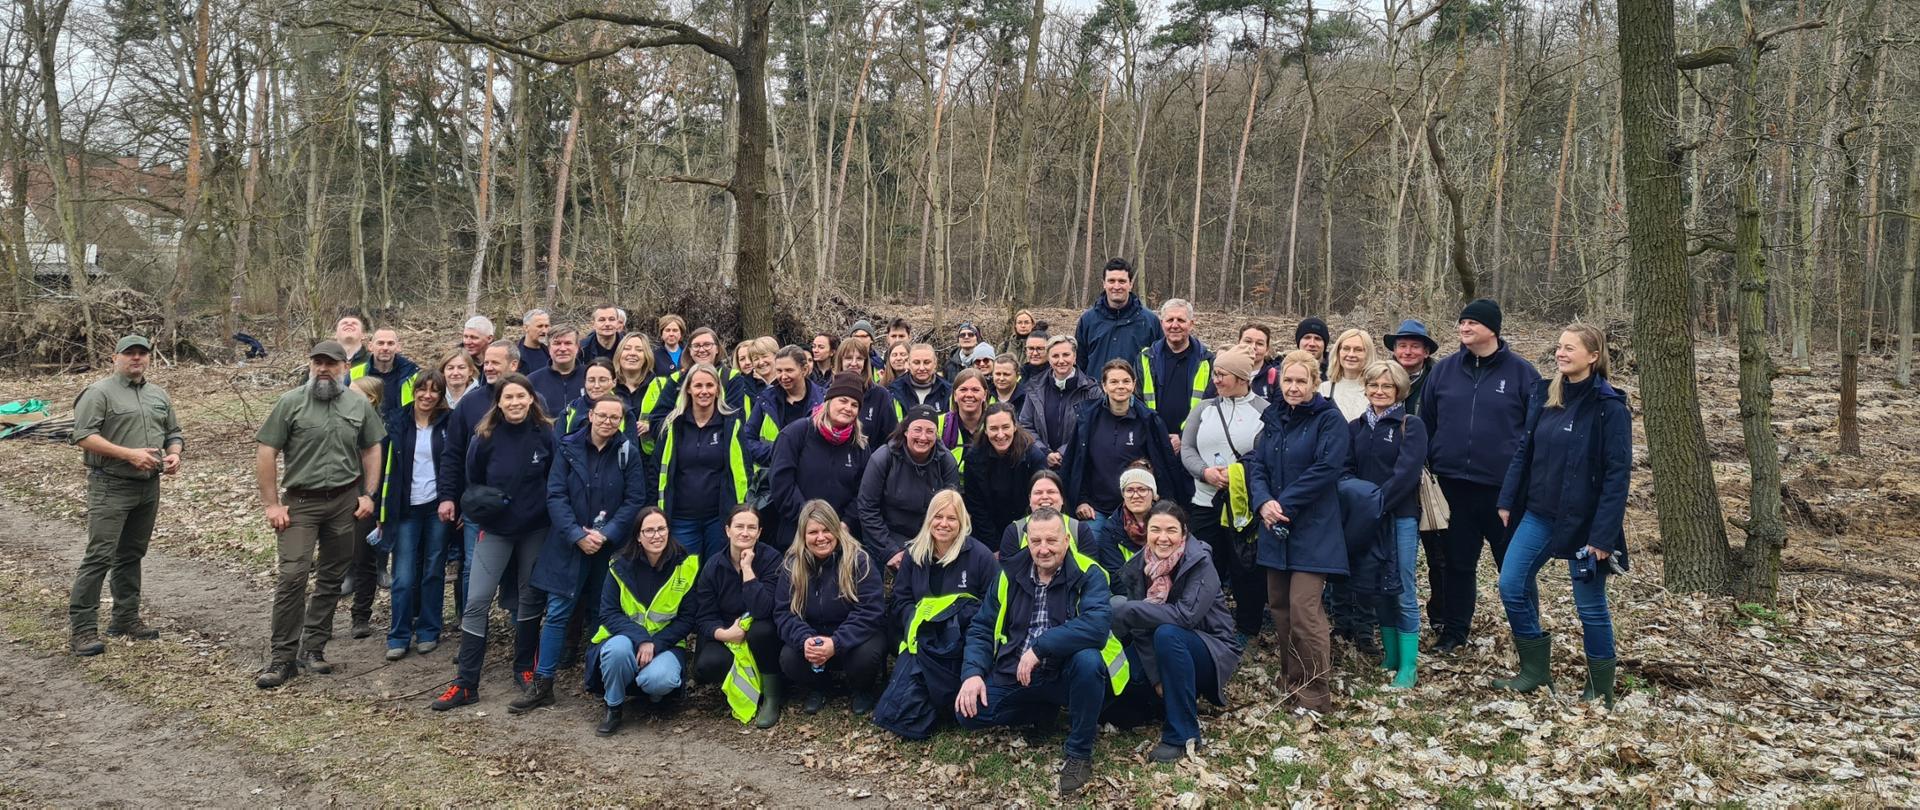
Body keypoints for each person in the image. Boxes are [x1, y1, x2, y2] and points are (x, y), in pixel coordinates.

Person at [1493, 324, 1630, 707]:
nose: (1560, 353)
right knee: (1511, 584)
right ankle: (1535, 672)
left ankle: (1600, 689)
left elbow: (1617, 476)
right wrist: (1507, 499)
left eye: (1570, 348)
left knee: (1590, 606)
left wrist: (1603, 537)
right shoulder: (1544, 394)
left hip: (1586, 524)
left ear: (1593, 355)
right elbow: (1524, 451)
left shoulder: (1609, 407)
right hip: (1537, 514)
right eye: (1558, 347)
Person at [955, 508, 1125, 797]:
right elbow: (982, 627)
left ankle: (1079, 752)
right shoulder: (1008, 572)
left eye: (1051, 540)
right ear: (1027, 541)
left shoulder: (1089, 572)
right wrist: (972, 673)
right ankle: (1041, 712)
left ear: (1067, 540)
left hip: (1065, 671)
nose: (1043, 549)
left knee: (1088, 660)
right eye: (1036, 541)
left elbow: (1096, 627)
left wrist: (1040, 647)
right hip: (1018, 671)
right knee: (968, 714)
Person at [253, 340, 386, 688]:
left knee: (331, 576)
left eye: (331, 363)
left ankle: (313, 648)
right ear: (311, 365)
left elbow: (372, 447)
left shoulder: (358, 404)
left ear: (345, 367)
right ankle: (282, 657)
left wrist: (369, 495)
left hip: (345, 502)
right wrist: (271, 504)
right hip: (300, 503)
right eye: (318, 363)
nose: (324, 369)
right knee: (293, 576)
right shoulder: (290, 403)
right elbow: (267, 451)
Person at [512, 394, 651, 713]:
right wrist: (576, 534)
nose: (608, 422)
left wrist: (607, 534)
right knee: (558, 612)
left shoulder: (627, 451)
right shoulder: (567, 447)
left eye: (614, 418)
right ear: (590, 415)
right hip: (568, 544)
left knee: (604, 614)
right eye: (602, 416)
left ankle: (602, 682)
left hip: (609, 546)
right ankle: (543, 683)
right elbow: (555, 494)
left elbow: (635, 498)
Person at [1419, 298, 1540, 654]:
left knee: (1514, 569)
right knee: (1456, 565)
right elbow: (1427, 423)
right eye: (1462, 322)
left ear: (1492, 329)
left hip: (1503, 493)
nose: (1464, 327)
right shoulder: (1443, 371)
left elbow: (1535, 434)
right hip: (1453, 487)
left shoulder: (1522, 374)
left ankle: (1528, 638)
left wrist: (1524, 486)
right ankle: (1454, 633)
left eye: (1472, 322)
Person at [430, 373, 555, 709]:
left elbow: (553, 478)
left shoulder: (546, 433)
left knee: (530, 599)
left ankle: (525, 668)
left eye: (521, 397)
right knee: (477, 600)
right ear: (498, 403)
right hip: (495, 530)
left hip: (535, 529)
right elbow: (474, 479)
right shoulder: (484, 437)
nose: (515, 403)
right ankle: (467, 682)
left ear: (532, 399)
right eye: (508, 398)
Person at [1244, 350, 1349, 713]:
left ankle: (1315, 693)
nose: (1293, 387)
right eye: (1288, 380)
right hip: (1275, 527)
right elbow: (1257, 464)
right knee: (1281, 609)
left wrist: (1283, 503)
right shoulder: (1272, 417)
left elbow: (1326, 468)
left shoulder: (1328, 420)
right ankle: (1291, 682)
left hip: (1313, 530)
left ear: (1314, 384)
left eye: (1301, 381)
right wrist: (1262, 502)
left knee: (1305, 611)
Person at [68, 334, 183, 656]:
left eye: (142, 354)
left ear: (149, 358)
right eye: (129, 354)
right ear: (115, 358)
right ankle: (83, 630)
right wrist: (127, 454)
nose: (136, 359)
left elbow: (174, 432)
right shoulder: (98, 393)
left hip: (148, 485)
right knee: (99, 557)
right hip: (110, 485)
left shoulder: (158, 394)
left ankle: (125, 618)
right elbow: (82, 436)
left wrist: (174, 453)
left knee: (131, 554)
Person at [1110, 502, 1240, 762]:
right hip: (1161, 647)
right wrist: (1157, 677)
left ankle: (1182, 735)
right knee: (1122, 702)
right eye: (1155, 529)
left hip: (1210, 648)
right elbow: (1140, 629)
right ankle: (1162, 701)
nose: (1163, 537)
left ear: (1184, 533)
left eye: (1171, 530)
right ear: (1146, 532)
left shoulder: (1200, 561)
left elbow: (1186, 616)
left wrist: (1132, 610)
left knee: (1168, 633)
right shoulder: (1140, 565)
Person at [872, 490, 998, 739]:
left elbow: (992, 605)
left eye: (951, 518)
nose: (943, 524)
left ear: (962, 522)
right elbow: (901, 600)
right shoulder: (913, 554)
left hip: (963, 638)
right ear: (929, 519)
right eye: (938, 517)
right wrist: (918, 623)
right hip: (922, 636)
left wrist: (954, 618)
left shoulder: (981, 556)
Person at [1178, 347, 1269, 640]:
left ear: (1242, 377)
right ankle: (1206, 622)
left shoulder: (1264, 411)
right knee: (1206, 565)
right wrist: (1205, 472)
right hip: (1205, 502)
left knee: (1245, 568)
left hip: (1243, 506)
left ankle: (1247, 627)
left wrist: (1237, 474)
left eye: (1222, 374)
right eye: (1215, 373)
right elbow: (1187, 448)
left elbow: (1267, 455)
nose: (1215, 379)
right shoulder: (1203, 409)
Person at [1346, 361, 1427, 689]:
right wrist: (1362, 503)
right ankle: (1390, 656)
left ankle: (1409, 665)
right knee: (1379, 585)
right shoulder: (1356, 427)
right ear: (1366, 388)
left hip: (1400, 515)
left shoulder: (1412, 425)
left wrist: (1377, 503)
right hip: (1366, 517)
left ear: (1399, 391)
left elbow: (1407, 474)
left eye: (1387, 387)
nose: (1380, 392)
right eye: (1375, 386)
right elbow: (1346, 468)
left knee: (1403, 587)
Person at [584, 508, 700, 734]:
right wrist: (641, 639)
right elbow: (608, 613)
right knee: (616, 651)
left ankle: (653, 694)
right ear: (638, 536)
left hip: (666, 644)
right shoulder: (619, 565)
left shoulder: (685, 566)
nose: (656, 536)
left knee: (660, 679)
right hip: (625, 641)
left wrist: (655, 644)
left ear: (668, 531)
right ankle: (614, 706)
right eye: (649, 531)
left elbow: (688, 618)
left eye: (661, 529)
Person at [775, 500, 886, 715]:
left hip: (852, 636)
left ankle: (861, 689)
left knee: (867, 656)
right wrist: (805, 639)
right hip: (814, 634)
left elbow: (871, 610)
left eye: (826, 530)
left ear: (836, 529)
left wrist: (836, 642)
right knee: (788, 658)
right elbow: (783, 612)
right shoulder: (791, 565)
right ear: (803, 535)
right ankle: (819, 687)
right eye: (813, 532)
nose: (820, 537)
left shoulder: (859, 559)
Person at [440, 340, 522, 619]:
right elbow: (453, 454)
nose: (487, 367)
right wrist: (449, 497)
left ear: (513, 365)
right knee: (473, 567)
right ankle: (470, 627)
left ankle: (518, 627)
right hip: (478, 505)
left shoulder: (526, 398)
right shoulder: (470, 403)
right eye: (485, 362)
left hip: (523, 505)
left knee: (520, 568)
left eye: (494, 362)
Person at [1061, 360, 1192, 528]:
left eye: (1126, 381)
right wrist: (1081, 500)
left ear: (1134, 384)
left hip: (1139, 509)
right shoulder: (1088, 419)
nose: (1120, 386)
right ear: (1104, 385)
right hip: (1096, 509)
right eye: (1114, 382)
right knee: (1090, 551)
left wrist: (1160, 503)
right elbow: (1077, 464)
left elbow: (1164, 467)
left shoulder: (1149, 421)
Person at [376, 369, 450, 661]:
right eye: (423, 389)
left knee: (433, 571)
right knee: (404, 575)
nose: (427, 395)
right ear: (414, 390)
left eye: (434, 390)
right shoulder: (397, 421)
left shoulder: (449, 422)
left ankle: (429, 631)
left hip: (437, 508)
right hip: (404, 508)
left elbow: (455, 463)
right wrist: (380, 508)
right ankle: (399, 634)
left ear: (441, 396)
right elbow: (382, 469)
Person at [692, 506, 786, 727]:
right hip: (729, 635)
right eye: (739, 527)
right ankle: (752, 688)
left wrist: (747, 569)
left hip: (763, 633)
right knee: (707, 665)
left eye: (751, 527)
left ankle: (772, 696)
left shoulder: (772, 559)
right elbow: (703, 616)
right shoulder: (713, 566)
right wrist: (724, 634)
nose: (745, 532)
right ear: (727, 530)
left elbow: (765, 608)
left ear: (759, 532)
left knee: (762, 630)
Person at [655, 364, 752, 561]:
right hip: (681, 518)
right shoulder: (673, 425)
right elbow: (656, 469)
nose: (704, 391)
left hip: (719, 518)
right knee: (683, 578)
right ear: (688, 389)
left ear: (718, 389)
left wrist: (739, 512)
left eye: (710, 385)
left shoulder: (732, 424)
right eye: (698, 385)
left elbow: (744, 471)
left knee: (717, 574)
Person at [767, 374, 875, 546]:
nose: (848, 408)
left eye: (855, 405)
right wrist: (810, 522)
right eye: (843, 401)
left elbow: (863, 491)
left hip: (840, 535)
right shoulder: (796, 433)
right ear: (828, 401)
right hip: (796, 532)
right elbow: (781, 483)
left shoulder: (860, 445)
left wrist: (845, 522)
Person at [856, 406, 959, 569]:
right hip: (887, 536)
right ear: (905, 431)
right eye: (917, 430)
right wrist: (891, 551)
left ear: (936, 434)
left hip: (930, 537)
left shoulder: (946, 462)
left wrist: (933, 548)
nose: (923, 437)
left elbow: (953, 511)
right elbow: (867, 508)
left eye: (930, 431)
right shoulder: (883, 458)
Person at [961, 403, 1048, 547]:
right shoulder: (973, 458)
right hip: (986, 533)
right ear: (986, 431)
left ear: (1014, 427)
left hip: (1027, 530)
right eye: (994, 429)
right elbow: (976, 507)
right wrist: (994, 546)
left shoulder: (1033, 456)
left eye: (1005, 427)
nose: (1000, 435)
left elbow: (1040, 502)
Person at [1137, 299, 1214, 453]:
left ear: (1191, 324)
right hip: (1153, 442)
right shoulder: (1145, 359)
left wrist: (1183, 437)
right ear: (1162, 323)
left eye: (1181, 320)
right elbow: (1138, 402)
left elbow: (1209, 405)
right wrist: (1157, 434)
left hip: (1193, 445)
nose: (1174, 325)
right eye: (1170, 320)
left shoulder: (1207, 361)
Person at [1017, 335, 1102, 469]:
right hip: (1041, 464)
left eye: (1066, 355)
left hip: (1078, 465)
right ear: (1049, 359)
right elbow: (1025, 424)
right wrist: (1044, 452)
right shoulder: (1035, 386)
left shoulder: (1091, 391)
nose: (1061, 360)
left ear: (1074, 357)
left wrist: (1063, 452)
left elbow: (1094, 427)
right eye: (1055, 356)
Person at [1074, 257, 1163, 374]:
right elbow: (1079, 364)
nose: (1116, 287)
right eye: (1111, 281)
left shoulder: (1150, 321)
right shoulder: (1088, 320)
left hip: (1135, 392)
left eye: (1122, 281)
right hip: (1095, 391)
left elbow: (1160, 364)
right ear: (1104, 284)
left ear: (1130, 284)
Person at [995, 471, 1098, 561]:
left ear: (1062, 498)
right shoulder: (1014, 532)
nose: (1044, 497)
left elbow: (1091, 572)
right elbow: (1008, 573)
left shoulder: (1079, 530)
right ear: (1030, 500)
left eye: (1051, 492)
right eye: (1038, 493)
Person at [745, 346, 822, 467]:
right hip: (772, 476)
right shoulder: (766, 400)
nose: (783, 376)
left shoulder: (823, 401)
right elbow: (747, 439)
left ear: (804, 370)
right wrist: (778, 454)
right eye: (779, 371)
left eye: (789, 370)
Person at [1092, 466, 1163, 573]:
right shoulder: (1111, 529)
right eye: (1129, 490)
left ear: (1153, 494)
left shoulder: (1170, 520)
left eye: (1142, 490)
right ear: (1123, 495)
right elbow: (1115, 574)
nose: (1135, 496)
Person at [836, 338, 900, 439]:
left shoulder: (880, 395)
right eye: (848, 358)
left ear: (865, 363)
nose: (854, 363)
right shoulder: (830, 393)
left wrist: (877, 455)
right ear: (840, 361)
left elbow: (892, 436)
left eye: (859, 359)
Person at [610, 334, 664, 445]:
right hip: (613, 456)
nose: (632, 353)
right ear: (619, 354)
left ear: (646, 356)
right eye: (627, 349)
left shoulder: (661, 386)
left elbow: (672, 420)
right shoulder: (608, 386)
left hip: (650, 458)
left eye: (639, 350)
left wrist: (652, 426)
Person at [356, 328, 419, 418]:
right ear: (370, 346)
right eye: (380, 343)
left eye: (390, 343)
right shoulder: (354, 375)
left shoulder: (413, 376)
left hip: (403, 430)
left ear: (398, 347)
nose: (385, 348)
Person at [526, 326, 585, 416]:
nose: (562, 349)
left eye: (568, 343)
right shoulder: (532, 381)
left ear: (577, 347)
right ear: (549, 348)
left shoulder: (591, 377)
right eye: (557, 343)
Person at [1318, 328, 1376, 421]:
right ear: (1338, 352)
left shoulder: (1377, 391)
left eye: (1358, 350)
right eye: (1346, 348)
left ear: (1368, 354)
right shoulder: (1323, 389)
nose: (1351, 354)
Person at [557, 361, 624, 437]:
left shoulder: (625, 411)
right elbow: (558, 445)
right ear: (585, 382)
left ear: (614, 382)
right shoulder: (570, 410)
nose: (596, 386)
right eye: (591, 380)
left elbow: (629, 446)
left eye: (602, 380)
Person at [1384, 319, 1439, 409]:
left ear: (1426, 352)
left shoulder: (1438, 379)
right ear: (1394, 350)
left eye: (1415, 346)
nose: (1408, 352)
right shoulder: (1382, 376)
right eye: (1402, 346)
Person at [888, 343, 952, 414]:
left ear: (935, 363)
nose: (921, 368)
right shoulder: (894, 391)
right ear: (909, 364)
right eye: (916, 363)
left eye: (927, 362)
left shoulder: (948, 391)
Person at [938, 369, 991, 456]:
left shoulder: (995, 424)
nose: (969, 395)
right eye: (963, 389)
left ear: (985, 395)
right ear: (955, 395)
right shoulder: (939, 424)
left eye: (975, 390)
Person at [1238, 323, 1282, 401]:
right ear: (1238, 343)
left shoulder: (1277, 378)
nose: (1253, 347)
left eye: (1259, 344)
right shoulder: (1223, 373)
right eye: (1248, 341)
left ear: (1267, 350)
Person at [517, 308, 552, 374]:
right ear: (526, 328)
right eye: (540, 326)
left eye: (546, 326)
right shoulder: (515, 355)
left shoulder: (551, 353)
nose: (544, 331)